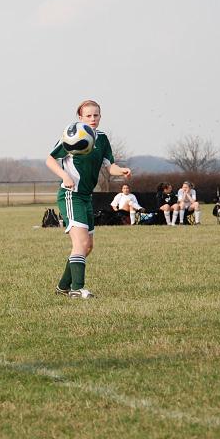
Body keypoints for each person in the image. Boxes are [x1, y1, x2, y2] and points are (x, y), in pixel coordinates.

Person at [46, 99, 132, 299]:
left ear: (100, 117)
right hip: (70, 195)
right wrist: (65, 176)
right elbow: (49, 159)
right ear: (80, 117)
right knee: (81, 242)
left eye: (96, 115)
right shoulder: (73, 135)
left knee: (88, 246)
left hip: (86, 197)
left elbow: (110, 166)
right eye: (88, 116)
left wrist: (122, 171)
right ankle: (77, 288)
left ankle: (62, 287)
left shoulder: (101, 138)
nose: (93, 119)